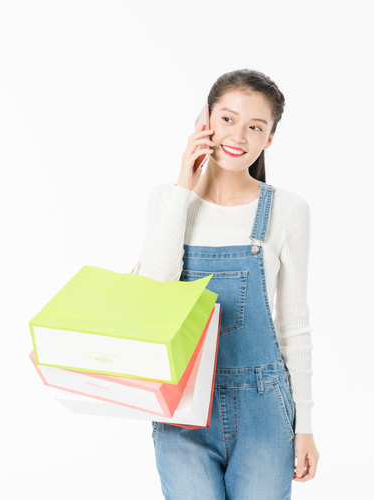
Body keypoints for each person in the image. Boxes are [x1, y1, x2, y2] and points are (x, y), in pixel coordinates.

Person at [133, 69, 320, 499]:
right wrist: (184, 186)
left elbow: (294, 325)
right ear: (206, 121)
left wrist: (306, 427)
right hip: (182, 407)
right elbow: (153, 290)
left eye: (255, 126)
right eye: (228, 119)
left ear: (269, 139)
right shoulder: (166, 200)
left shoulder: (288, 210)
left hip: (263, 409)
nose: (238, 136)